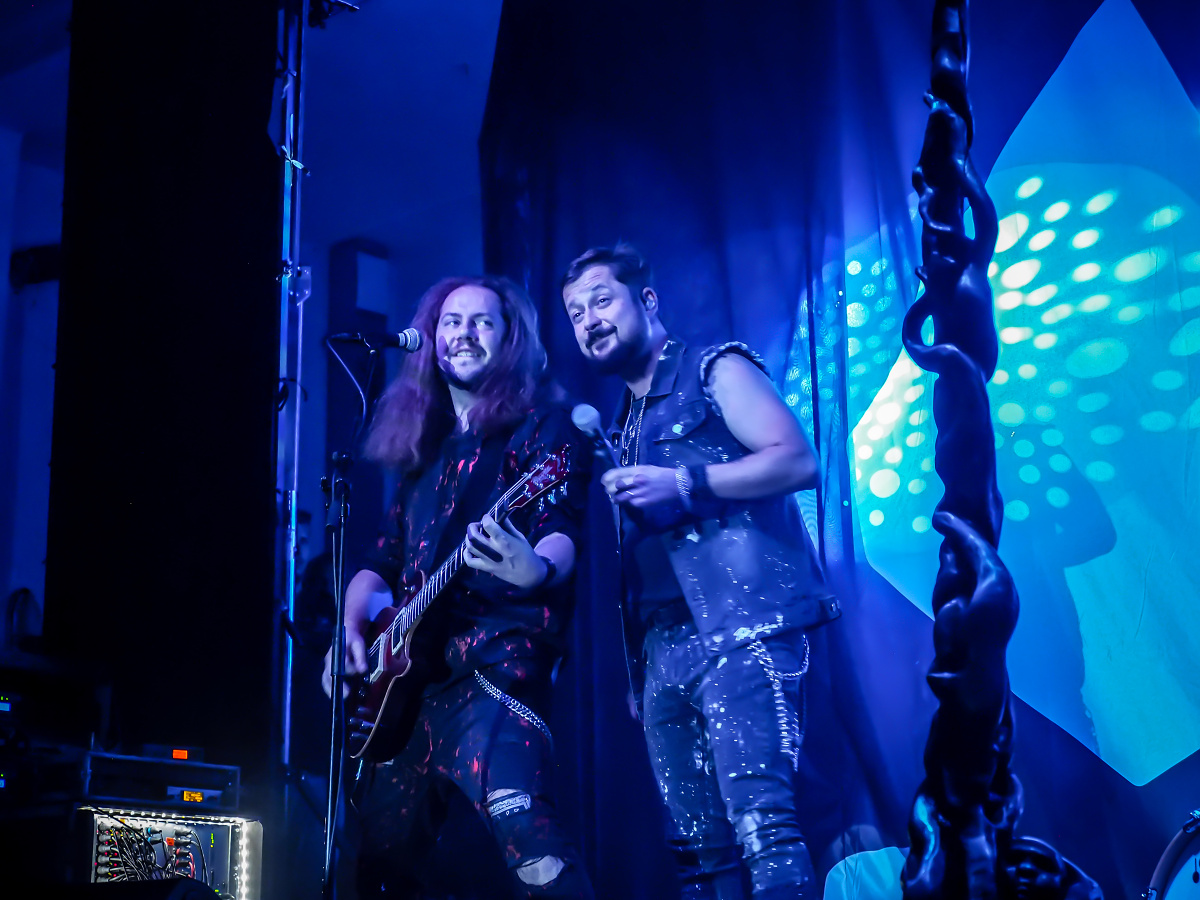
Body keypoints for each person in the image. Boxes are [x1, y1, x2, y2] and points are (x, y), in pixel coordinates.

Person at [561, 244, 840, 900]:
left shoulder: (715, 368)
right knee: (698, 858)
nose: (590, 320)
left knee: (764, 830)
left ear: (647, 300)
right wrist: (639, 671)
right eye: (575, 313)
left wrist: (685, 483)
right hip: (662, 651)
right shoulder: (621, 424)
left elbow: (797, 460)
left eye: (601, 300)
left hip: (743, 630)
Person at [323, 275, 594, 899]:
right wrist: (352, 626)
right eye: (451, 321)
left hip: (492, 671)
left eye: (481, 322)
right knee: (375, 869)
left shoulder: (544, 429)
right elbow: (384, 559)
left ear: (510, 339)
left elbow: (561, 530)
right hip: (407, 692)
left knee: (527, 833)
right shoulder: (427, 449)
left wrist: (537, 569)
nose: (463, 334)